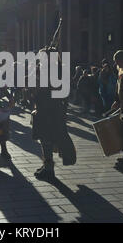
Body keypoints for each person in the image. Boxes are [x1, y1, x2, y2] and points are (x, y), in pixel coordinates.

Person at [31, 47, 76, 180]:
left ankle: (49, 168)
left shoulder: (47, 70)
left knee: (46, 139)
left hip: (47, 109)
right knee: (47, 137)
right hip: (55, 109)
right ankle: (46, 165)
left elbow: (37, 89)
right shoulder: (59, 69)